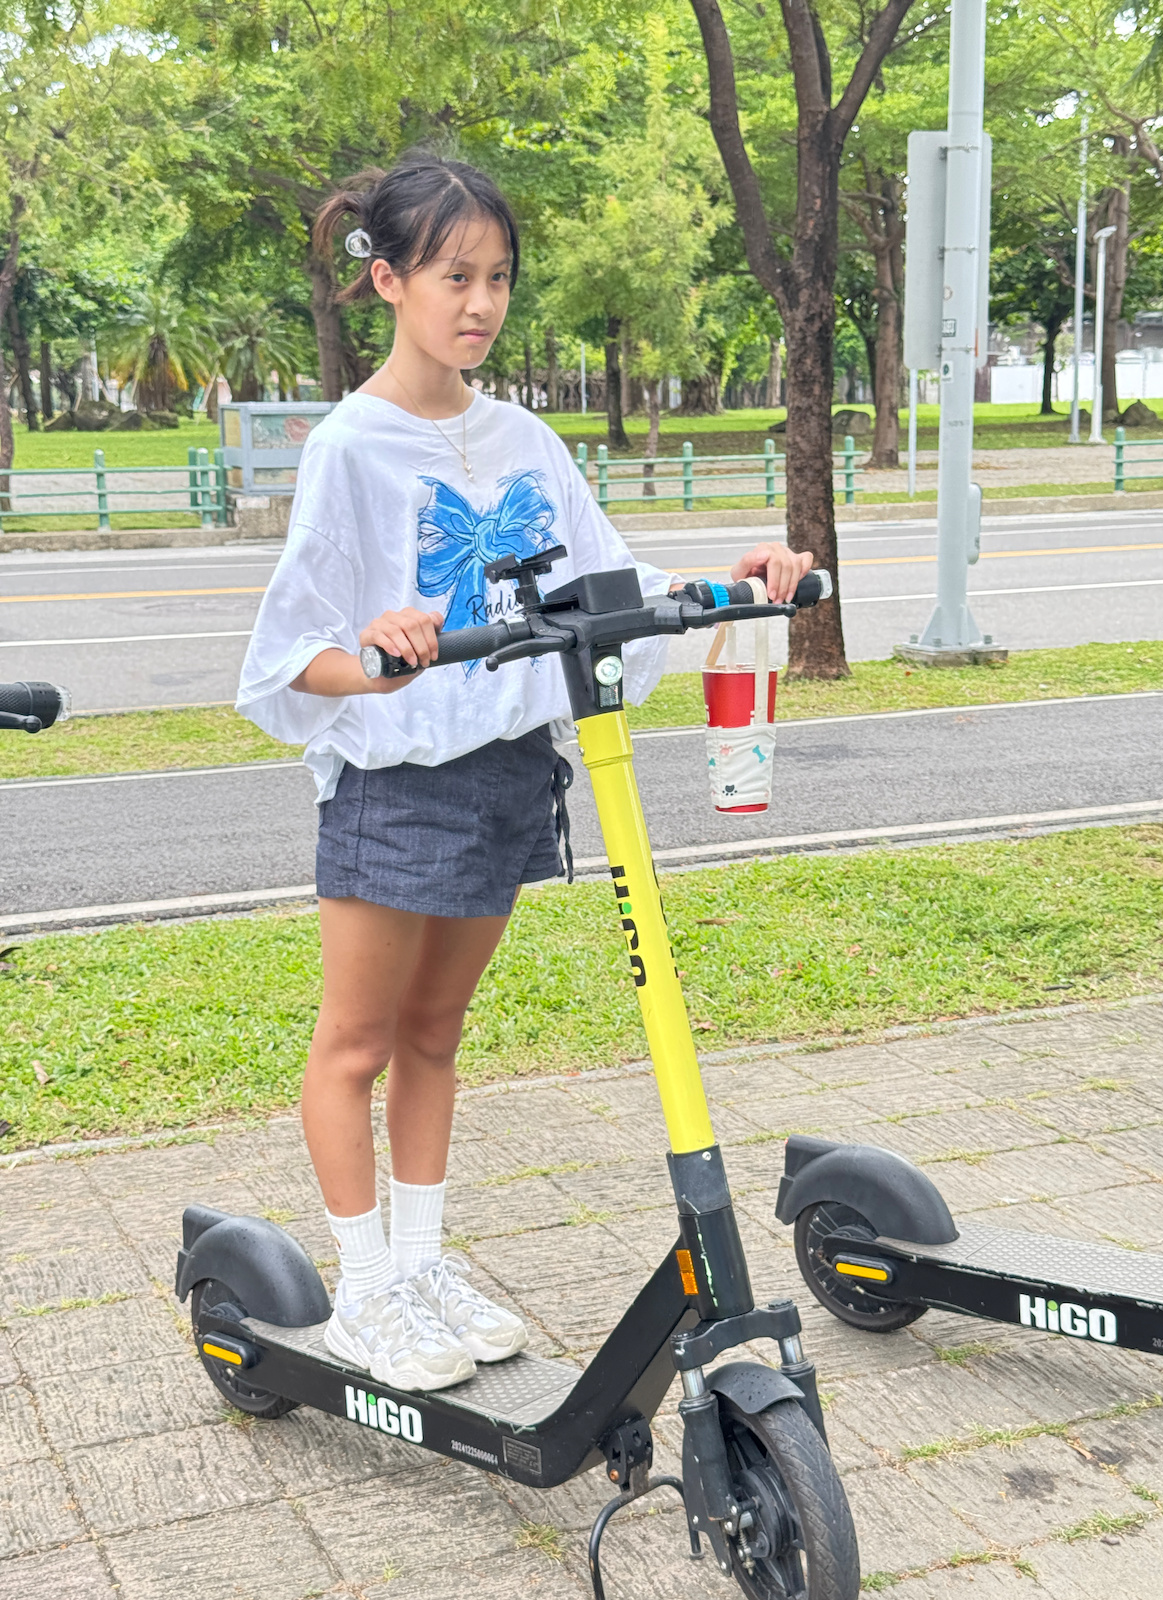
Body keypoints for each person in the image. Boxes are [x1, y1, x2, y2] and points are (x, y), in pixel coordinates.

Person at [237, 152, 814, 1392]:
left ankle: (424, 1261)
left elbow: (604, 580)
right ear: (388, 280)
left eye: (497, 277)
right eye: (454, 276)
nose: (480, 302)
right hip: (398, 785)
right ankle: (366, 1288)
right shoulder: (351, 448)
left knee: (436, 1034)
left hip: (509, 769)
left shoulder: (525, 437)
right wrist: (379, 659)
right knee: (357, 1043)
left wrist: (734, 578)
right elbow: (293, 654)